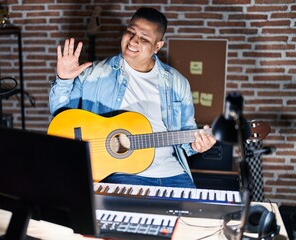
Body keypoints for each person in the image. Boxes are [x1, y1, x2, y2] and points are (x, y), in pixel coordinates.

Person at [49, 7, 216, 188]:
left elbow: (187, 136)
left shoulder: (177, 82)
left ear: (157, 46)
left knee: (194, 214)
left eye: (144, 38)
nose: (133, 41)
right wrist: (64, 79)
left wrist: (198, 145)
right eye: (130, 32)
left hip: (172, 173)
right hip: (119, 173)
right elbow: (62, 119)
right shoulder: (93, 74)